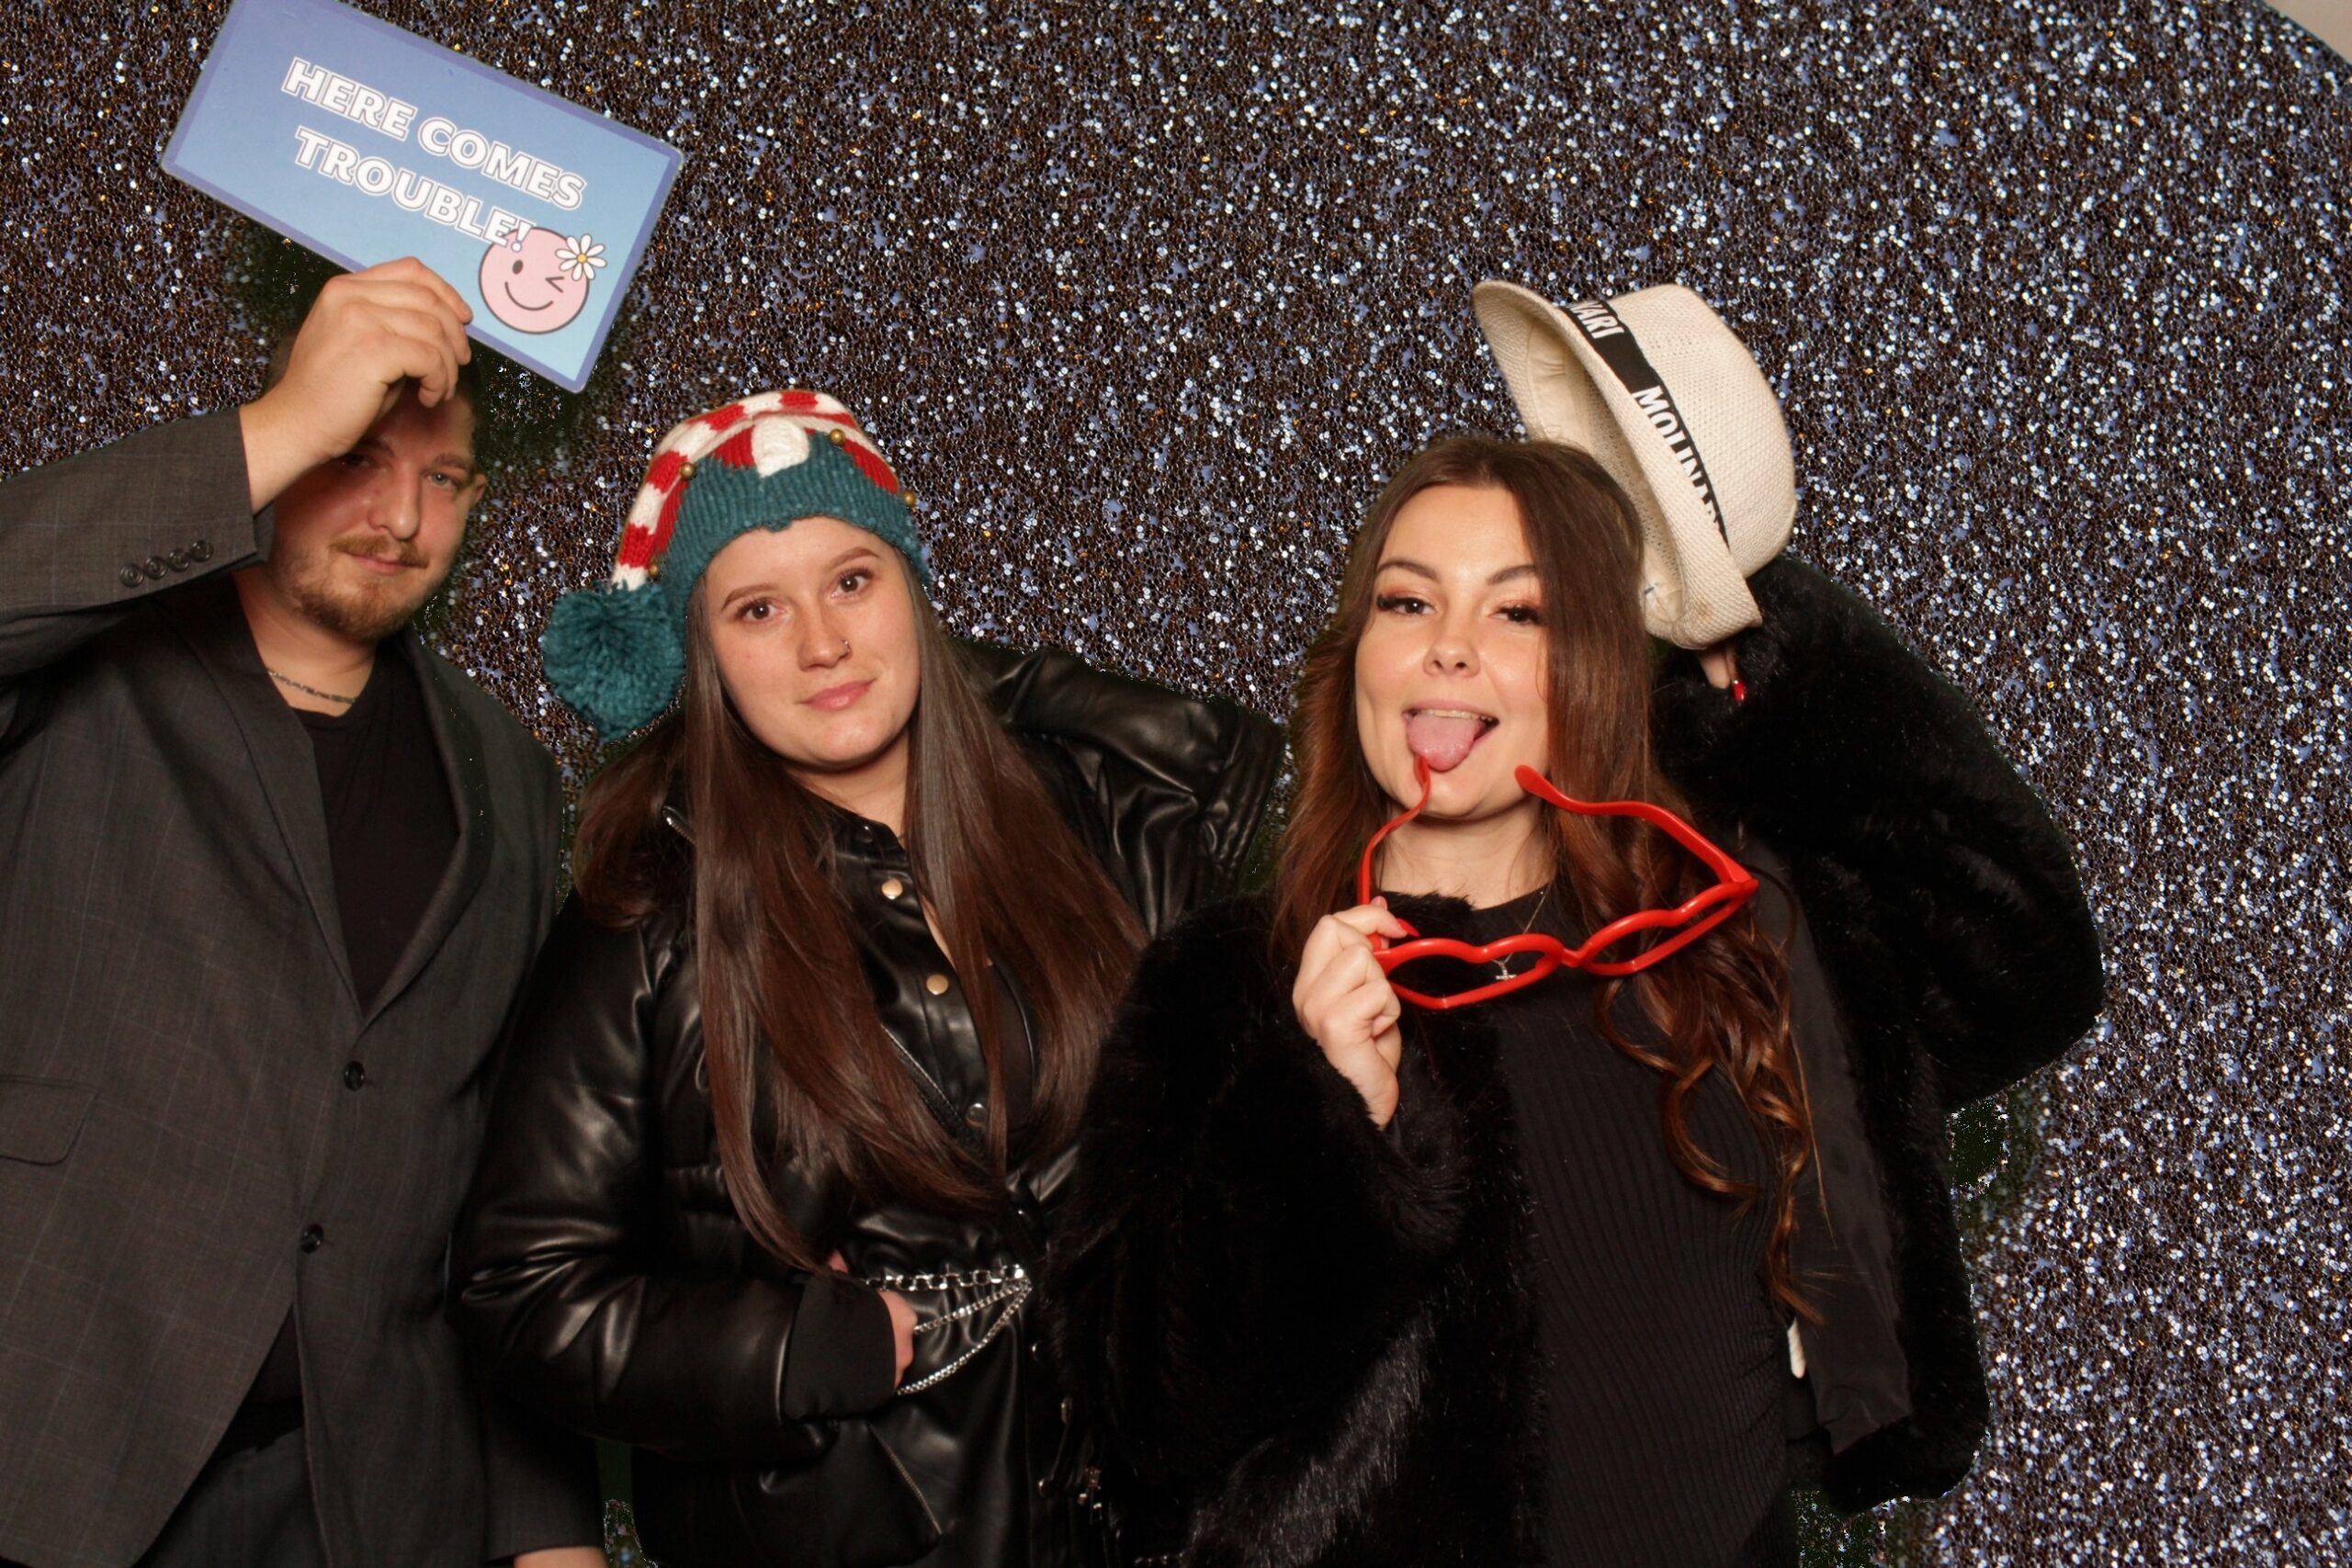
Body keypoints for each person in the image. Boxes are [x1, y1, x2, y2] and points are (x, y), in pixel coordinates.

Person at [1047, 288, 2105, 1566]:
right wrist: (1321, 1117)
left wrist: (1731, 595)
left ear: (1600, 659)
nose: (1448, 648)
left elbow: (2023, 953)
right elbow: (1134, 1417)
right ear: (1355, 657)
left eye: (1520, 610)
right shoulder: (1228, 982)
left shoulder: (1727, 934)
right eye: (1406, 602)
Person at [449, 390, 1283, 1567]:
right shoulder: (649, 915)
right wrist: (788, 1351)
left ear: (913, 589)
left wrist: (969, 680)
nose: (822, 644)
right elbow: (519, 1290)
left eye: (853, 581)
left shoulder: (1097, 824)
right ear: (700, 653)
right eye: (757, 608)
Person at [0, 258, 568, 1568]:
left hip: (357, 1502)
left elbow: (499, 1180)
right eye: (357, 456)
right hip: (51, 1442)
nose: (401, 516)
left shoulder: (508, 774)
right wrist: (276, 428)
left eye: (444, 479)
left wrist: (543, 1531)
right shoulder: (96, 664)